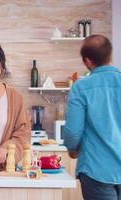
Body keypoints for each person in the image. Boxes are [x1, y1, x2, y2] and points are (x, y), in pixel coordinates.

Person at [64, 34, 121, 200]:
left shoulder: (81, 87)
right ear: (110, 56)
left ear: (87, 61)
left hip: (96, 169)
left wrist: (72, 149)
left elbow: (73, 131)